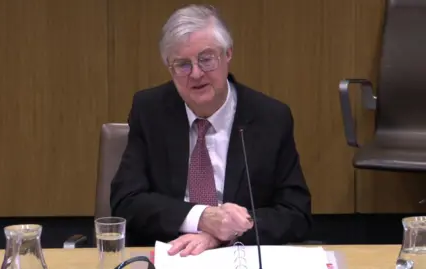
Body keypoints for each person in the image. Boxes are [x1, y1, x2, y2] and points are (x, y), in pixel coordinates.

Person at [110, 4, 312, 257]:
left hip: (239, 255)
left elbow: (296, 213)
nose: (195, 74)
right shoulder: (150, 110)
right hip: (169, 254)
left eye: (206, 59)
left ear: (228, 54)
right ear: (168, 67)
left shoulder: (270, 117)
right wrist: (202, 217)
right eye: (182, 64)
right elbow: (126, 202)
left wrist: (225, 233)